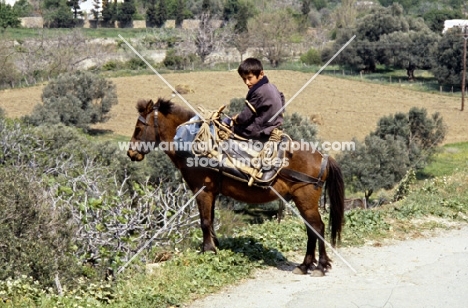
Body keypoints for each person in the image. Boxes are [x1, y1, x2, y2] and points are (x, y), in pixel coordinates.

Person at [224, 58, 285, 141]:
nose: (247, 82)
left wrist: (236, 119)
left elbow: (245, 117)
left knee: (226, 123)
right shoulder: (272, 87)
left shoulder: (258, 92)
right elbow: (282, 97)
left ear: (261, 74)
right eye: (244, 79)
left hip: (260, 130)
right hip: (274, 126)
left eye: (249, 78)